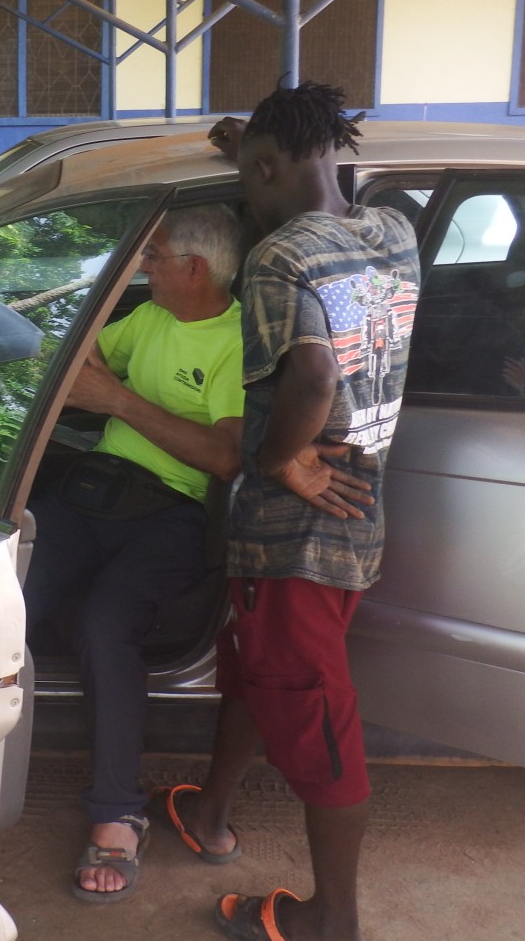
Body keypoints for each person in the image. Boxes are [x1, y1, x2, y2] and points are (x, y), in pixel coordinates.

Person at [0, 203, 245, 904]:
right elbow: (80, 363)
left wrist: (119, 402)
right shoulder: (151, 317)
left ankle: (118, 813)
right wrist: (77, 346)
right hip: (96, 492)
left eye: (154, 257)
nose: (145, 267)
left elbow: (225, 456)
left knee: (106, 626)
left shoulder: (234, 340)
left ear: (195, 269)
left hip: (173, 514)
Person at [164, 83, 419, 941]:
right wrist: (254, 149)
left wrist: (277, 461)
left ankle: (333, 920)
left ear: (268, 169)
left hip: (293, 537)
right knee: (255, 671)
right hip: (358, 516)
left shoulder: (278, 259)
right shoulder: (392, 231)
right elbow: (312, 202)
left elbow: (312, 378)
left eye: (249, 178)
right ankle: (209, 811)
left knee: (317, 722)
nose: (246, 193)